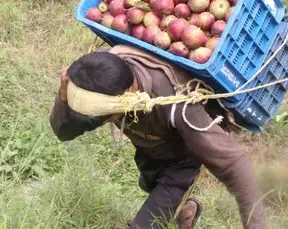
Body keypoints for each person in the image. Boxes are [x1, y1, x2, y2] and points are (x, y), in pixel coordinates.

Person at [49, 45, 267, 229]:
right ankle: (185, 210)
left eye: (109, 119)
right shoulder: (97, 76)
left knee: (148, 221)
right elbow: (64, 132)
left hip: (182, 161)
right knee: (150, 184)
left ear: (130, 93)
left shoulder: (177, 104)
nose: (106, 122)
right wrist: (63, 98)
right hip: (150, 150)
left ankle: (177, 206)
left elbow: (235, 164)